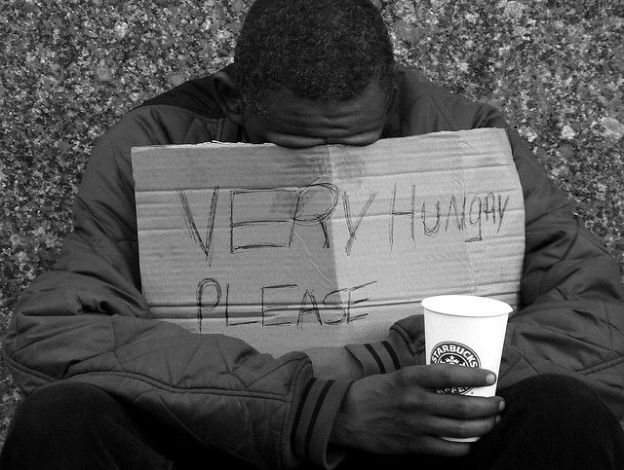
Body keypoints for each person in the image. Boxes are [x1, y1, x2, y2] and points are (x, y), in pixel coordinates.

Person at [2, 0, 624, 469]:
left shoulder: (465, 136)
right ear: (238, 100)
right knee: (61, 422)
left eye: (358, 147)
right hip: (241, 434)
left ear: (390, 94)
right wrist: (319, 411)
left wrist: (395, 366)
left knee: (565, 413)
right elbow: (55, 334)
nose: (329, 182)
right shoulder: (158, 140)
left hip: (422, 434)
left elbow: (601, 323)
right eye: (296, 149)